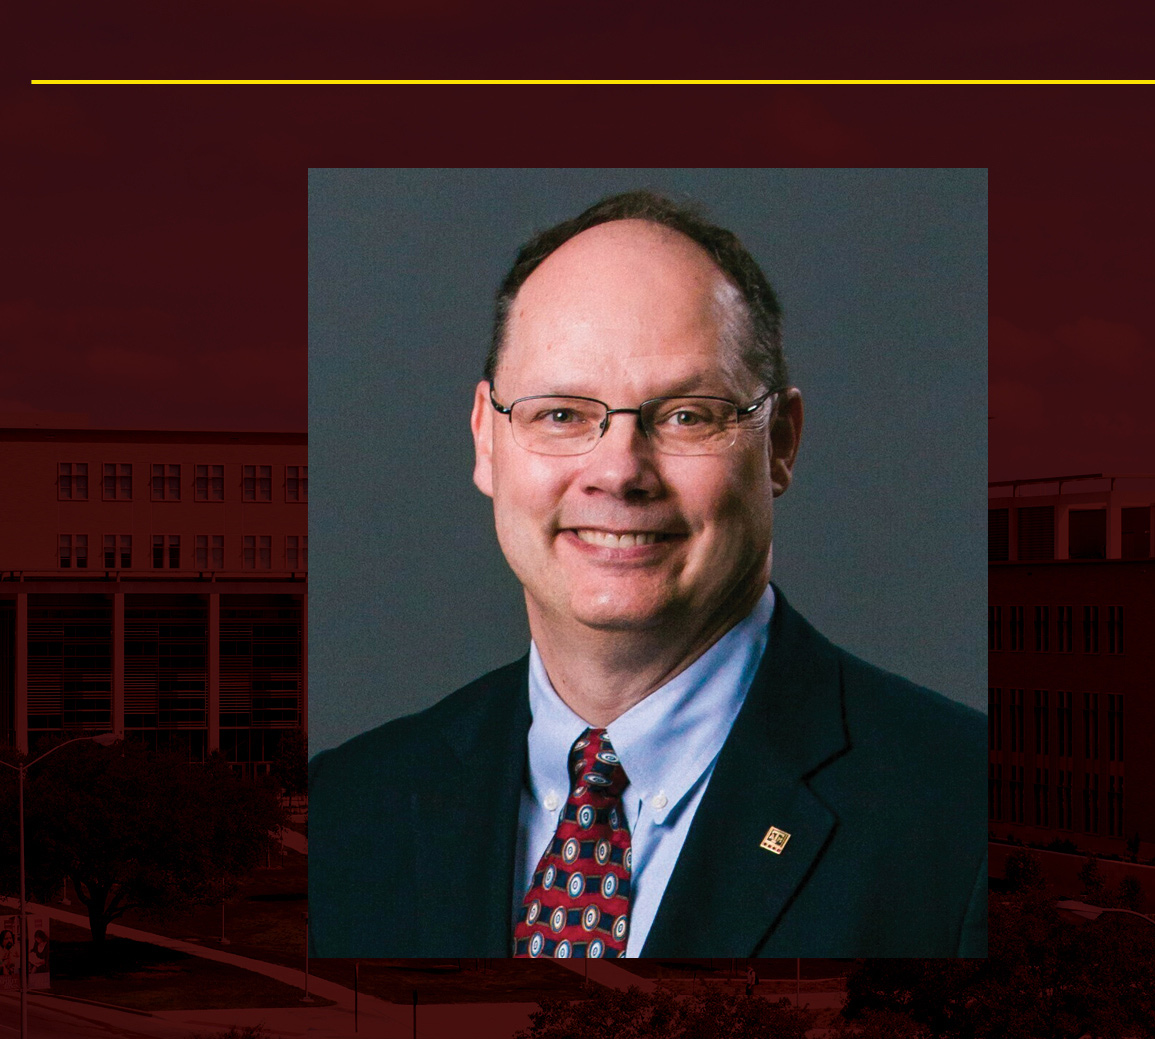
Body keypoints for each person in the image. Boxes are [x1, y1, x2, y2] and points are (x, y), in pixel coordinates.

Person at [307, 190, 988, 959]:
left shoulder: (967, 817)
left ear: (782, 444)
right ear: (486, 441)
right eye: (560, 414)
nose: (619, 472)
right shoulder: (350, 807)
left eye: (687, 415)